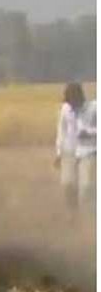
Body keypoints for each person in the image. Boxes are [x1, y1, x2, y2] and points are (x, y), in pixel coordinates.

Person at [54, 82, 96, 220]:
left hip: (88, 151)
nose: (70, 104)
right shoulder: (65, 109)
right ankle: (73, 213)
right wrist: (58, 152)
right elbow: (61, 130)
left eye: (72, 100)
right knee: (67, 184)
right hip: (69, 151)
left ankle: (91, 212)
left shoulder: (94, 108)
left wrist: (89, 132)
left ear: (80, 98)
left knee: (86, 186)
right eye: (68, 101)